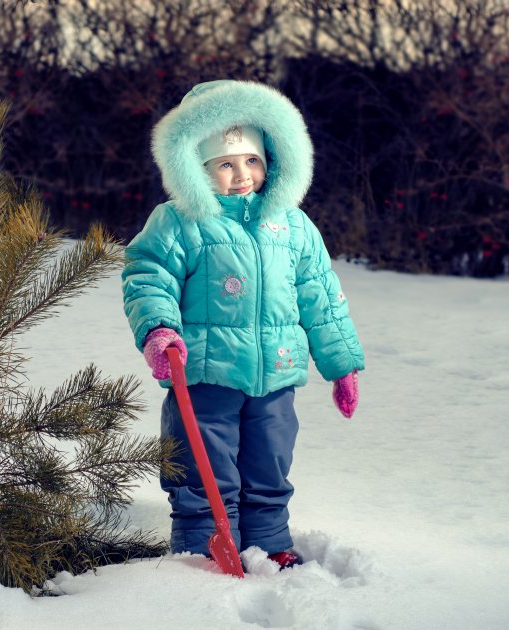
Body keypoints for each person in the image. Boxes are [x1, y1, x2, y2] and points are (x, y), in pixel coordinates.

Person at [121, 80, 365, 569]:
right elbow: (148, 275)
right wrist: (159, 330)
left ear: (273, 159)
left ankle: (270, 536)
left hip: (276, 374)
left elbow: (320, 295)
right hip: (207, 375)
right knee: (203, 464)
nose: (242, 174)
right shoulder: (179, 221)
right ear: (196, 167)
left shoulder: (293, 225)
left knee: (270, 463)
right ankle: (202, 542)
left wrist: (341, 363)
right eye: (225, 164)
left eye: (252, 160)